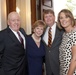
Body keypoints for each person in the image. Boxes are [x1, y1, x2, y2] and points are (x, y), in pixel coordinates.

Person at [42, 9, 64, 75]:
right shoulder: (42, 30)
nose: (48, 18)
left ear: (54, 17)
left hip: (60, 67)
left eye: (50, 16)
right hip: (48, 68)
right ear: (44, 19)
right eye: (46, 17)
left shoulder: (62, 29)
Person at [57, 9, 76, 75]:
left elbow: (75, 59)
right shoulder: (64, 34)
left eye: (66, 17)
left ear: (71, 19)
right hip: (63, 71)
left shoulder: (74, 33)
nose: (63, 20)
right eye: (61, 18)